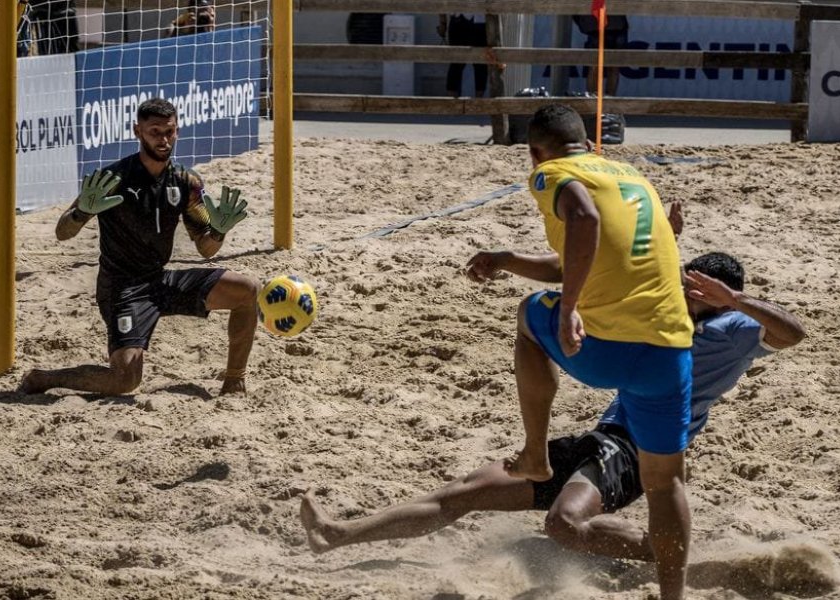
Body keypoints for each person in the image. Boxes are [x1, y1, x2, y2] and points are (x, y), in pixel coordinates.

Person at [301, 249, 805, 571]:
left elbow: (794, 333)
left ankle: (667, 554)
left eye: (694, 289)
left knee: (563, 526)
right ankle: (338, 534)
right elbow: (572, 267)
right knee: (465, 491)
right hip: (603, 436)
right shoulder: (660, 308)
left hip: (639, 451)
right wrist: (504, 260)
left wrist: (735, 299)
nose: (683, 292)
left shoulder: (734, 330)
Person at [462, 103, 694, 598]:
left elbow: (584, 220)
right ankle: (674, 595)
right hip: (669, 347)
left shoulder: (551, 173)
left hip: (606, 343)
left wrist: (568, 308)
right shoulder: (631, 174)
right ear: (589, 142)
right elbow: (579, 257)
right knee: (665, 484)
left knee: (529, 316)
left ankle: (535, 454)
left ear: (534, 152)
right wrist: (506, 259)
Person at [19, 98, 259, 397]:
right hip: (122, 288)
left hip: (159, 279)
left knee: (247, 289)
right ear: (137, 131)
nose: (163, 139)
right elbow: (62, 232)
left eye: (169, 131)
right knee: (125, 380)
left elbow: (205, 250)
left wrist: (219, 231)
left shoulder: (186, 182)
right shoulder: (113, 178)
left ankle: (234, 380)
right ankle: (46, 378)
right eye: (154, 131)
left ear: (178, 131)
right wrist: (81, 212)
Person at [573, 13, 629, 96]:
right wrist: (585, 23)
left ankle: (610, 100)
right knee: (595, 67)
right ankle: (592, 99)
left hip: (617, 25)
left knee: (613, 67)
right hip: (596, 26)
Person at [438, 13, 488, 98]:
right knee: (456, 64)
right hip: (459, 19)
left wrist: (443, 23)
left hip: (480, 20)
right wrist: (443, 23)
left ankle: (478, 104)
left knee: (481, 65)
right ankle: (453, 104)